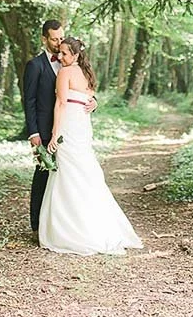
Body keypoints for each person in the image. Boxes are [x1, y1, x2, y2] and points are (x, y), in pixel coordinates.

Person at [37, 36, 143, 255]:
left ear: (75, 55)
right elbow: (89, 96)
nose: (61, 56)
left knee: (70, 172)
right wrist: (92, 102)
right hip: (82, 125)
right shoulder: (86, 72)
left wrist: (55, 134)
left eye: (65, 53)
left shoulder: (65, 72)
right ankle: (90, 224)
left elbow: (61, 103)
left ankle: (71, 230)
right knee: (81, 171)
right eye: (60, 53)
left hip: (70, 124)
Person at [24, 20, 96, 240]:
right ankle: (37, 226)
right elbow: (30, 101)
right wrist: (33, 132)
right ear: (44, 38)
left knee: (67, 176)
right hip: (45, 130)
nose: (58, 42)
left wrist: (94, 102)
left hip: (70, 128)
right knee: (43, 175)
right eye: (54, 39)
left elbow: (83, 90)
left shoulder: (72, 63)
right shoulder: (35, 66)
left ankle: (65, 224)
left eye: (60, 37)